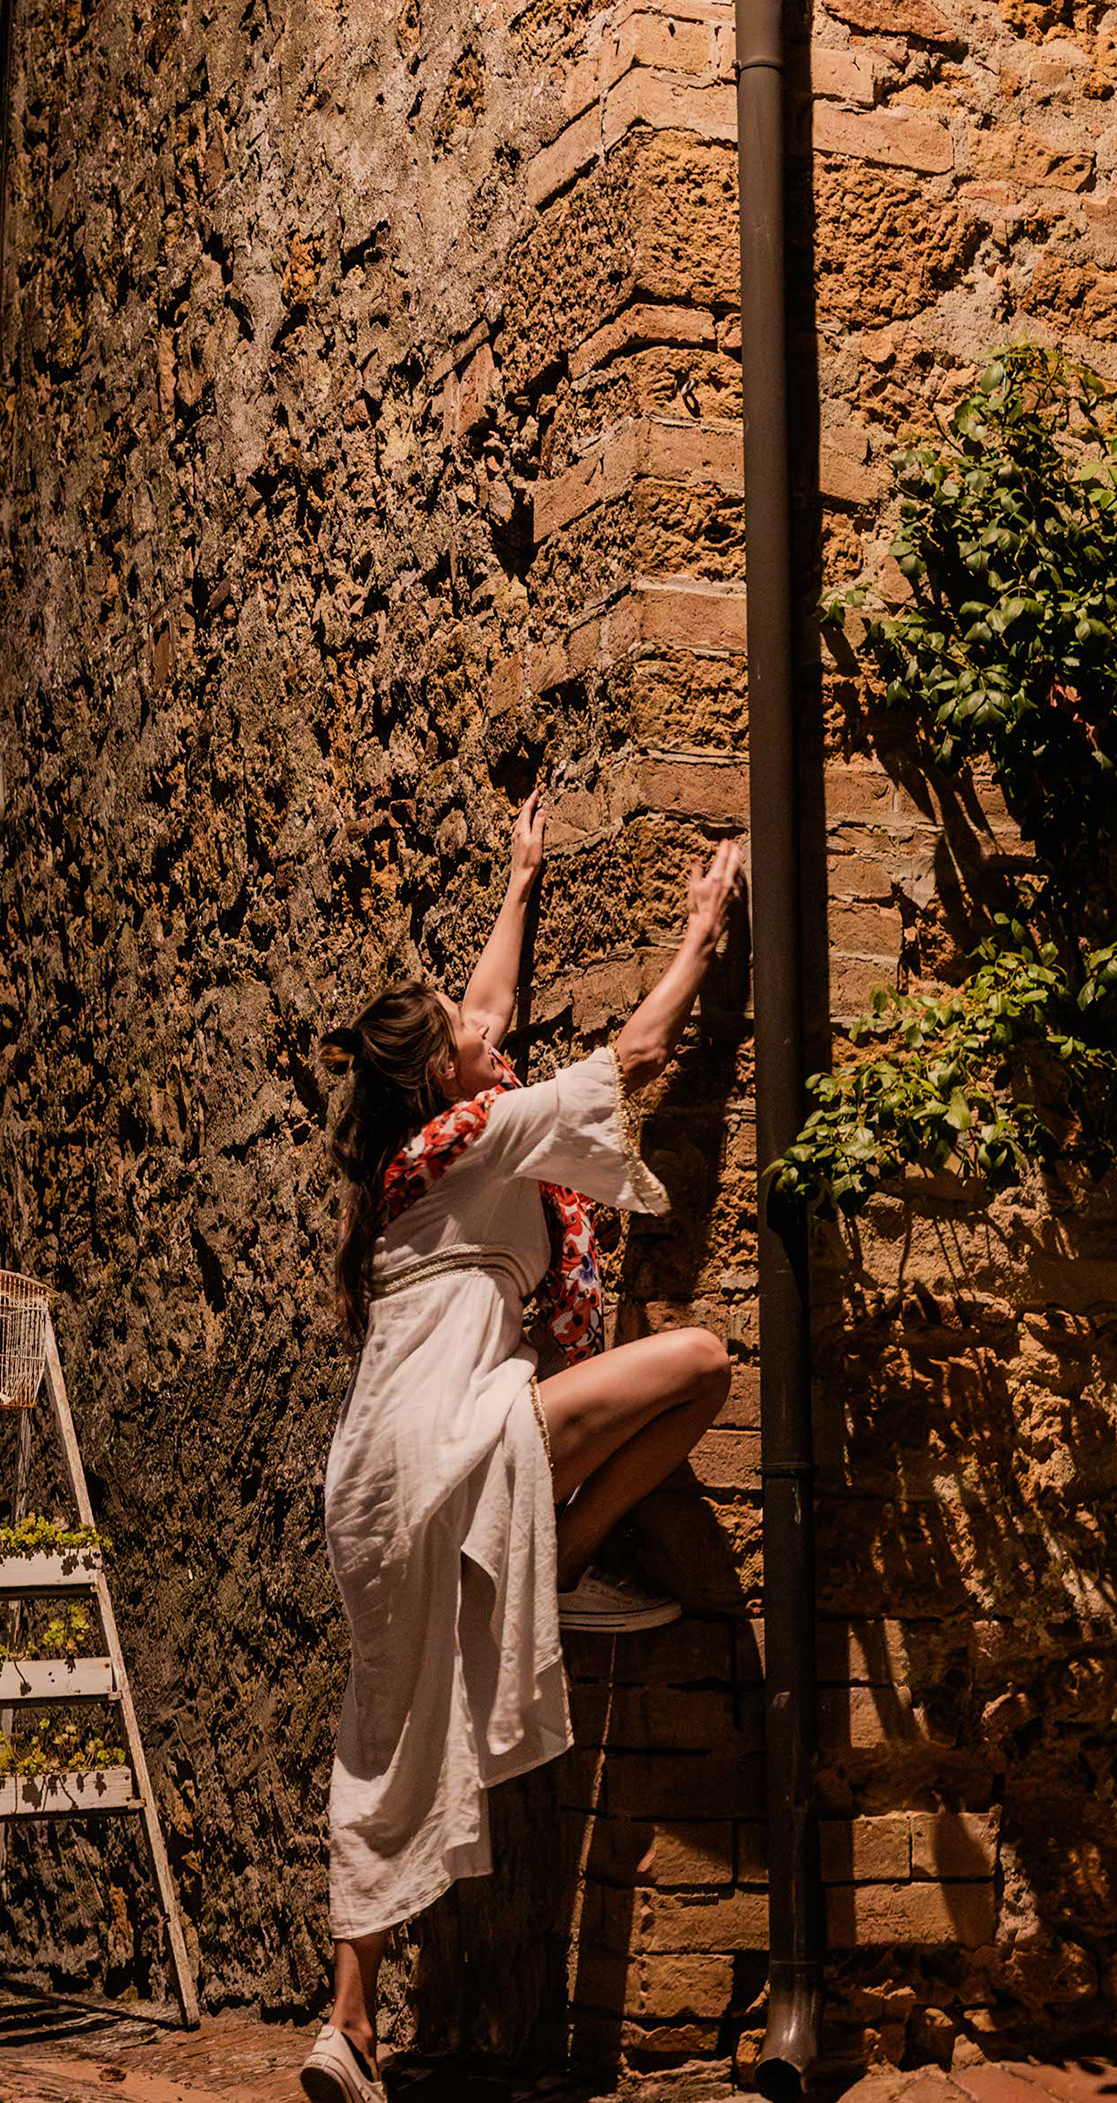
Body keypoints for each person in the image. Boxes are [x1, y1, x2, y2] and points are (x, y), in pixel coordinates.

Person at [301, 797, 743, 2103]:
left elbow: (485, 1013)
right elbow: (637, 1054)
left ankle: (347, 2025)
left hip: (368, 1487)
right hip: (461, 1444)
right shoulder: (486, 1133)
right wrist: (703, 933)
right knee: (701, 1365)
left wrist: (522, 880)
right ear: (442, 1076)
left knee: (387, 1734)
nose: (484, 1031)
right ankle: (571, 1553)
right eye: (462, 1036)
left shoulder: (411, 1157)